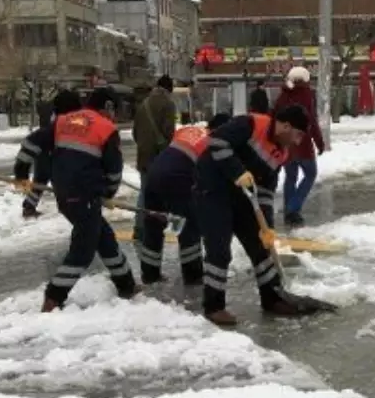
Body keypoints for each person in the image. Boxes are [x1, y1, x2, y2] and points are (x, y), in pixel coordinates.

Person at [196, 105, 331, 326]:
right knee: (219, 249)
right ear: (286, 126)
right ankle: (214, 306)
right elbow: (216, 142)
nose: (298, 142)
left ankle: (273, 298)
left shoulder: (281, 153)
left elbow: (267, 190)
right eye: (297, 135)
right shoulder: (250, 124)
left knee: (261, 246)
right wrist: (237, 172)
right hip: (213, 192)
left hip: (244, 197)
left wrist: (266, 226)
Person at [17, 88, 139, 313]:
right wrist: (108, 193)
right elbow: (114, 171)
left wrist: (21, 171)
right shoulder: (106, 129)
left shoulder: (65, 121)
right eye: (113, 109)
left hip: (66, 195)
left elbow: (30, 143)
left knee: (105, 239)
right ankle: (53, 297)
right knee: (82, 251)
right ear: (107, 108)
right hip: (86, 196)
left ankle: (126, 284)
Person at [138, 113, 232, 286]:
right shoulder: (214, 143)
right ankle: (193, 275)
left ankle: (150, 274)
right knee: (189, 226)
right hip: (177, 180)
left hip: (154, 175)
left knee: (154, 224)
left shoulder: (189, 130)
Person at [273, 66, 326, 227]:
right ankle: (292, 208)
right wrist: (319, 143)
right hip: (302, 143)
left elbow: (274, 118)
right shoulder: (307, 95)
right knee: (310, 173)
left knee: (291, 177)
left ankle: (290, 213)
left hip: (286, 144)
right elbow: (312, 120)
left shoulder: (282, 95)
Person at [17, 89, 83, 219]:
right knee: (49, 181)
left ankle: (29, 206)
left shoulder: (53, 112)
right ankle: (30, 207)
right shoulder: (64, 119)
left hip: (46, 152)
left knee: (40, 180)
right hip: (50, 153)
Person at [132, 75, 177, 240]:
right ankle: (155, 227)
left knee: (144, 192)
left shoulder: (143, 104)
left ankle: (139, 227)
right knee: (161, 193)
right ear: (169, 89)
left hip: (143, 156)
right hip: (160, 157)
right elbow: (169, 132)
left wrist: (144, 147)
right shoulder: (168, 104)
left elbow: (135, 132)